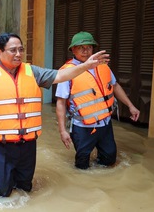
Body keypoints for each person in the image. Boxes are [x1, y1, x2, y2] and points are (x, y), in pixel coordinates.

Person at [0, 32, 109, 197]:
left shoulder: (32, 72)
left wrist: (85, 66)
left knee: (25, 190)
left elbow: (61, 75)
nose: (18, 54)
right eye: (13, 50)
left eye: (21, 49)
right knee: (0, 194)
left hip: (27, 145)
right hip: (0, 146)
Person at [55, 31, 140, 170]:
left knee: (109, 159)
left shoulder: (102, 66)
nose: (85, 50)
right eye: (81, 47)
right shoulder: (67, 71)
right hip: (82, 127)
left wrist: (131, 106)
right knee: (82, 165)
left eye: (89, 47)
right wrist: (62, 131)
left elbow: (115, 85)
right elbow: (61, 102)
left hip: (105, 124)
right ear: (73, 50)